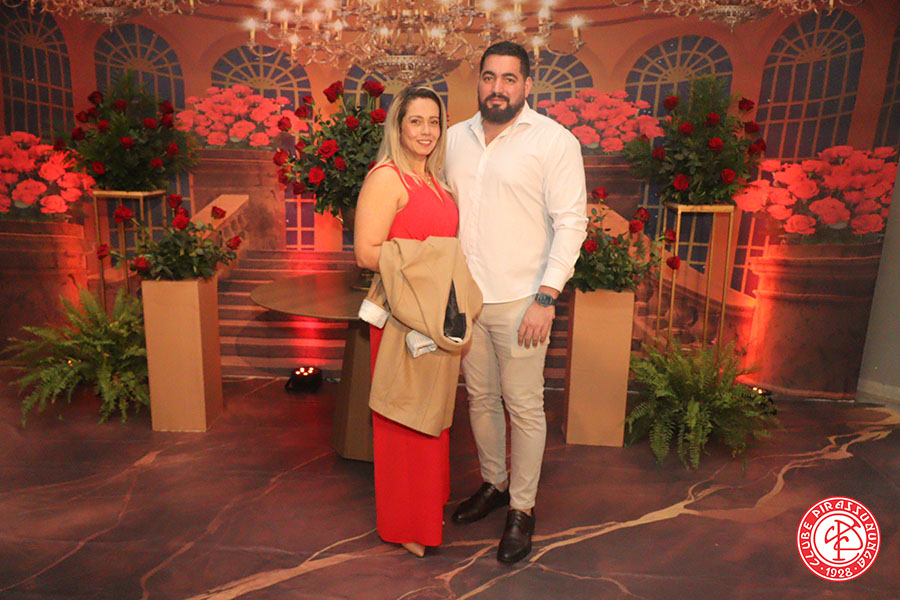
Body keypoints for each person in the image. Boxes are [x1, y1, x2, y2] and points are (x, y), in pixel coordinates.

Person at [445, 41, 588, 563]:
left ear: (527, 84)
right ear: (478, 82)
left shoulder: (553, 141)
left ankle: (522, 510)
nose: (497, 88)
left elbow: (571, 223)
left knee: (524, 407)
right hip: (466, 299)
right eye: (489, 77)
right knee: (479, 399)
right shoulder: (453, 139)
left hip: (524, 300)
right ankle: (494, 484)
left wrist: (546, 298)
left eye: (509, 78)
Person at [354, 86, 466, 558]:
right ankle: (404, 522)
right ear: (398, 126)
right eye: (416, 121)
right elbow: (366, 253)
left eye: (433, 122)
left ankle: (425, 508)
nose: (426, 131)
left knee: (431, 416)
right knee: (403, 419)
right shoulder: (386, 178)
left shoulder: (435, 180)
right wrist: (430, 264)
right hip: (403, 317)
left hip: (436, 316)